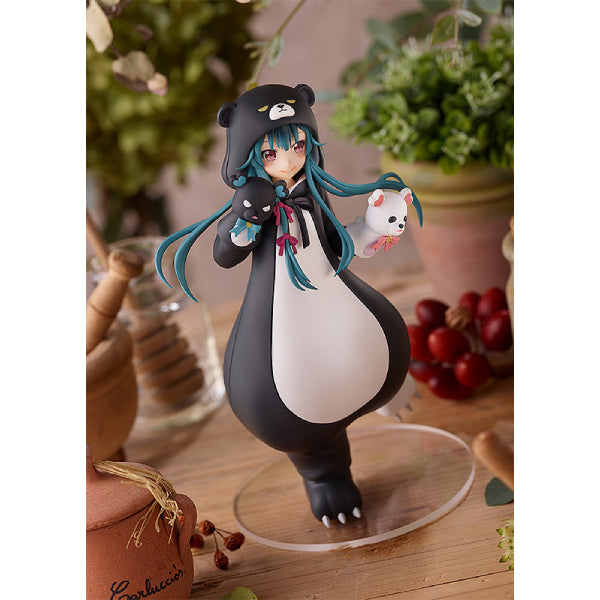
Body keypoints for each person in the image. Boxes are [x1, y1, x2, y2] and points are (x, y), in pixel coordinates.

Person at [156, 83, 422, 527]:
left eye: (298, 145)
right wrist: (245, 218)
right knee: (289, 400)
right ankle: (326, 476)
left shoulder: (311, 192)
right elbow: (225, 254)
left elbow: (336, 243)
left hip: (333, 293)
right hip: (283, 316)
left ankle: (385, 390)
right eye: (271, 153)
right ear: (247, 156)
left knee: (376, 346)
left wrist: (373, 229)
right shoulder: (254, 203)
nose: (289, 161)